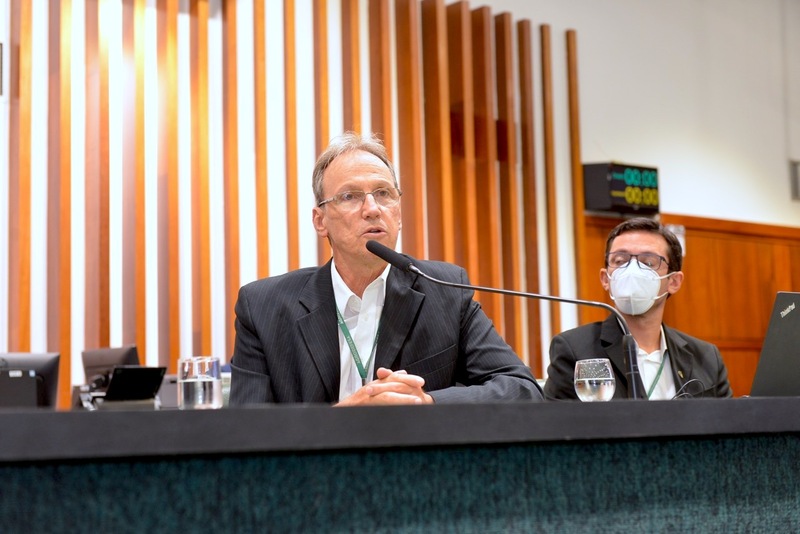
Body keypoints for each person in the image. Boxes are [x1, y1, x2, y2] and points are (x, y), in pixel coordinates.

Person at [230, 132, 543, 405]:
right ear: (320, 220)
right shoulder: (263, 307)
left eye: (383, 194)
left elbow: (522, 389)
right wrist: (340, 421)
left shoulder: (445, 290)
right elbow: (246, 430)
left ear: (399, 213)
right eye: (350, 196)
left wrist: (426, 403)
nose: (372, 209)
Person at [544, 217, 732, 400]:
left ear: (674, 282)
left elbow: (728, 419)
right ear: (605, 279)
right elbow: (555, 420)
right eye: (620, 261)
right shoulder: (575, 350)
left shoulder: (706, 357)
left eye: (648, 262)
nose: (632, 271)